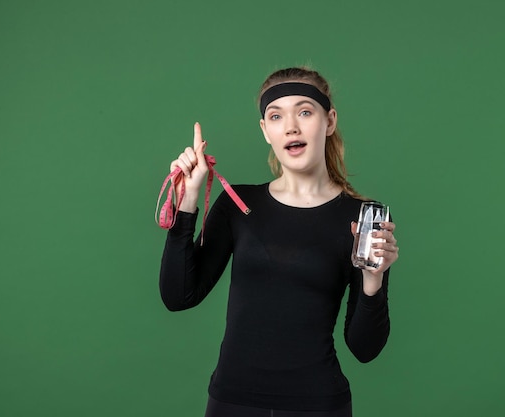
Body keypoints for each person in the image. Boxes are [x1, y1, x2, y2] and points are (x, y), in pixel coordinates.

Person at [159, 67, 399, 417]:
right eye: (276, 116)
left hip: (318, 404)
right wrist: (189, 200)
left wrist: (373, 281)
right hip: (232, 401)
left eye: (305, 112)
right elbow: (178, 296)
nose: (291, 127)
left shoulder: (363, 218)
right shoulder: (238, 205)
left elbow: (364, 348)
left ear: (329, 121)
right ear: (265, 131)